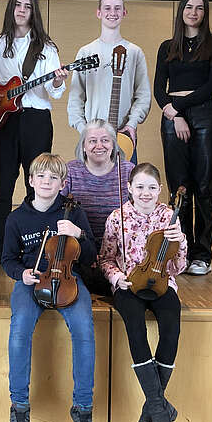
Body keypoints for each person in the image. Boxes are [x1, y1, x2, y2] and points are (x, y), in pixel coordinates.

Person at [2, 153, 97, 422]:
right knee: (19, 330)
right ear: (30, 181)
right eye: (41, 176)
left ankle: (83, 408)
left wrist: (79, 234)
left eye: (53, 178)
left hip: (69, 279)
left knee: (84, 331)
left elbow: (92, 256)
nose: (46, 182)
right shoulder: (17, 218)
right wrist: (23, 273)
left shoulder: (73, 213)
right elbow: (8, 260)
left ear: (62, 183)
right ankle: (19, 406)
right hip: (33, 280)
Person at [0, 0, 68, 268]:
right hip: (4, 121)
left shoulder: (47, 49)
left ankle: (32, 250)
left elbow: (54, 92)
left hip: (36, 121)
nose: (22, 10)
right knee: (1, 187)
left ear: (34, 12)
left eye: (27, 6)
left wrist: (59, 80)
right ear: (11, 9)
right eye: (17, 4)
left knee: (37, 186)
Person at [99, 162, 186, 422]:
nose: (145, 193)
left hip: (162, 282)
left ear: (160, 189)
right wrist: (116, 278)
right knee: (135, 329)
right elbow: (105, 259)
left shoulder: (169, 217)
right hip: (129, 284)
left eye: (151, 187)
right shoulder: (117, 217)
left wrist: (181, 242)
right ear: (129, 188)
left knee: (171, 328)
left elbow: (179, 266)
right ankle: (160, 408)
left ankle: (153, 407)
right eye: (139, 187)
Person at [154, 0, 212, 276]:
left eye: (199, 8)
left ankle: (202, 255)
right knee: (179, 187)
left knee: (205, 187)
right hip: (173, 118)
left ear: (205, 13)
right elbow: (159, 88)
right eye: (189, 7)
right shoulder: (167, 46)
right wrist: (172, 114)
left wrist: (176, 107)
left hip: (204, 114)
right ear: (181, 11)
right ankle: (181, 250)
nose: (194, 12)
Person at [67, 0, 151, 159]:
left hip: (123, 137)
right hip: (91, 139)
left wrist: (131, 125)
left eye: (117, 8)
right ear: (98, 13)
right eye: (107, 8)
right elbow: (76, 97)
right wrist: (84, 130)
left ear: (124, 12)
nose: (112, 13)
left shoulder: (135, 52)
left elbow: (143, 96)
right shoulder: (86, 52)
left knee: (125, 184)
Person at [61, 119, 134, 295]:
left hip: (119, 253)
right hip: (81, 250)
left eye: (105, 140)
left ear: (113, 145)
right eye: (92, 141)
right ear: (84, 146)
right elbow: (56, 208)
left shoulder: (128, 170)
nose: (99, 145)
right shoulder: (71, 170)